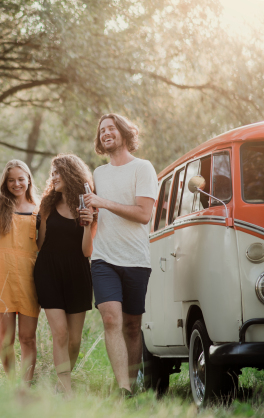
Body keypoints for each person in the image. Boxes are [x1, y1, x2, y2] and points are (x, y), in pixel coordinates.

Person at [83, 114, 158, 396]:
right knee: (111, 319)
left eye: (111, 128)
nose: (105, 133)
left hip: (136, 259)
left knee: (131, 325)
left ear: (124, 133)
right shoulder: (99, 174)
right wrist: (88, 215)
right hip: (103, 258)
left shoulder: (143, 168)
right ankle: (123, 389)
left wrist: (103, 202)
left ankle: (134, 379)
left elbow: (143, 214)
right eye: (101, 130)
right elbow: (98, 214)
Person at [34, 154, 96, 395]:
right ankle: (65, 388)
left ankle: (63, 379)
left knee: (74, 340)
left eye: (58, 172)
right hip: (49, 270)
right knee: (59, 333)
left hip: (78, 272)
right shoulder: (47, 205)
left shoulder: (88, 205)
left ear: (71, 174)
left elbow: (86, 251)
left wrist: (89, 224)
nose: (54, 177)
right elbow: (39, 244)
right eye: (53, 173)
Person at [0, 160, 41, 385]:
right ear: (5, 183)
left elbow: (44, 244)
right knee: (5, 338)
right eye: (11, 180)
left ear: (28, 179)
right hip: (3, 273)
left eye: (20, 179)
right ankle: (11, 386)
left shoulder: (40, 209)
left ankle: (24, 388)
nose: (16, 184)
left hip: (29, 276)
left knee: (28, 337)